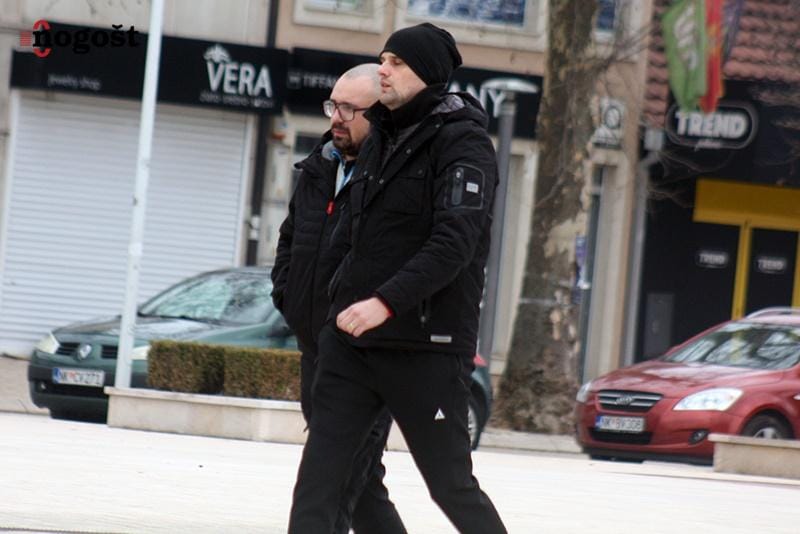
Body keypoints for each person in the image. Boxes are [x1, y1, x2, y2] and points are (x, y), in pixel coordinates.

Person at [288, 23, 507, 533]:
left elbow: (455, 244)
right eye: (383, 59)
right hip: (352, 346)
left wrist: (384, 302)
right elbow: (344, 235)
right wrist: (331, 312)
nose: (383, 70)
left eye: (397, 63)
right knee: (319, 484)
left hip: (425, 346)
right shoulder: (379, 135)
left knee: (450, 486)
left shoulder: (464, 143)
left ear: (427, 74)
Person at [271, 64, 406, 534]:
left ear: (380, 114)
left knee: (334, 485)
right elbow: (290, 239)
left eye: (350, 109)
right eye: (333, 105)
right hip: (315, 349)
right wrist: (287, 295)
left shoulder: (393, 177)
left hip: (362, 357)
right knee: (361, 484)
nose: (336, 117)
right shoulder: (320, 165)